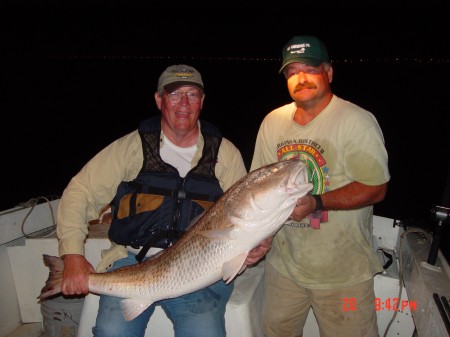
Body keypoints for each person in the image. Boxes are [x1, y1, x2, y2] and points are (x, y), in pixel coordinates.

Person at [56, 64, 250, 337]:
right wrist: (73, 256)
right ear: (159, 100)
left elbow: (246, 213)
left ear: (202, 102)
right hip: (132, 262)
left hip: (197, 272)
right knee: (112, 332)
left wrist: (257, 245)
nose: (184, 103)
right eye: (174, 94)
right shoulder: (131, 147)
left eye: (192, 94)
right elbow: (80, 192)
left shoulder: (226, 154)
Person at [249, 36, 390, 337]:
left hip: (344, 273)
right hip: (284, 268)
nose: (301, 78)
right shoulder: (273, 123)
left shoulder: (356, 121)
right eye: (292, 71)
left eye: (310, 69)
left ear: (328, 72)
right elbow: (257, 190)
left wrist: (317, 202)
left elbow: (376, 188)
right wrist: (261, 238)